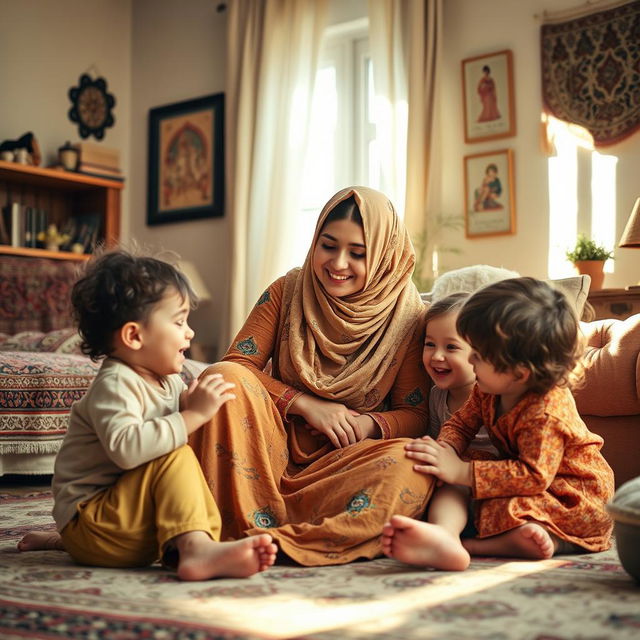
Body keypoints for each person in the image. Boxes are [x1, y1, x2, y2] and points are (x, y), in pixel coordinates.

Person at [188, 186, 435, 566]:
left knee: (413, 465)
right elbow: (238, 365)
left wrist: (368, 425)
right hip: (268, 449)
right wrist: (306, 405)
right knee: (224, 378)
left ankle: (285, 542)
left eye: (358, 253)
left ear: (384, 256)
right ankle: (237, 531)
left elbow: (415, 414)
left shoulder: (408, 317)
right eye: (328, 245)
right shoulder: (288, 290)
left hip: (346, 462)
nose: (337, 263)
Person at [19, 250, 277, 580]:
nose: (190, 333)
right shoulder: (115, 384)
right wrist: (190, 416)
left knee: (187, 451)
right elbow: (128, 450)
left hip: (125, 524)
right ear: (134, 336)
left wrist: (188, 409)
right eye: (179, 321)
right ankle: (196, 550)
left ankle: (196, 540)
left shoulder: (168, 380)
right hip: (94, 524)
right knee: (175, 455)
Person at [382, 277, 614, 570]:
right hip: (517, 480)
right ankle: (445, 535)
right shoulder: (487, 387)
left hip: (570, 494)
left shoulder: (547, 411)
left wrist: (462, 471)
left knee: (512, 505)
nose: (472, 361)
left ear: (518, 371)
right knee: (455, 483)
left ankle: (490, 545)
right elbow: (461, 424)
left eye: (478, 356)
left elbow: (534, 476)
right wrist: (447, 451)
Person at [422, 292, 497, 458]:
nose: (436, 356)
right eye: (430, 344)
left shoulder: (496, 398)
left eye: (451, 347)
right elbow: (438, 445)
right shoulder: (436, 396)